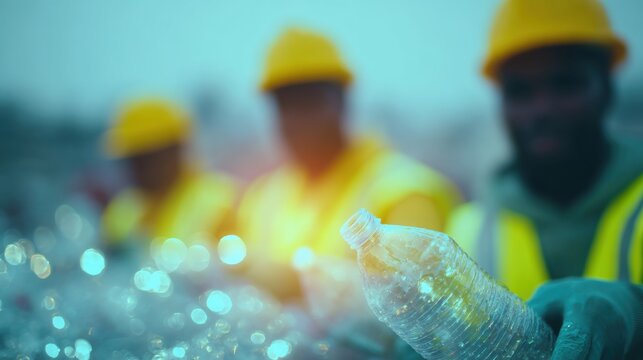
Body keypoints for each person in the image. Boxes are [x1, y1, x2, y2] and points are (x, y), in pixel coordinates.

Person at [446, 0, 643, 358]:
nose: (542, 109)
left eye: (565, 84)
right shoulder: (467, 232)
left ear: (608, 88)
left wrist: (637, 315)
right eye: (520, 91)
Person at [237, 27, 461, 301]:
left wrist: (301, 287)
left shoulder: (405, 192)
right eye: (285, 106)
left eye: (310, 102)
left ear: (342, 101)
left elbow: (413, 309)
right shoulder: (263, 197)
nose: (297, 120)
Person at [101, 99, 236, 250]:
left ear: (176, 150)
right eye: (133, 158)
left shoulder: (217, 199)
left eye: (148, 157)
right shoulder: (122, 211)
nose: (139, 168)